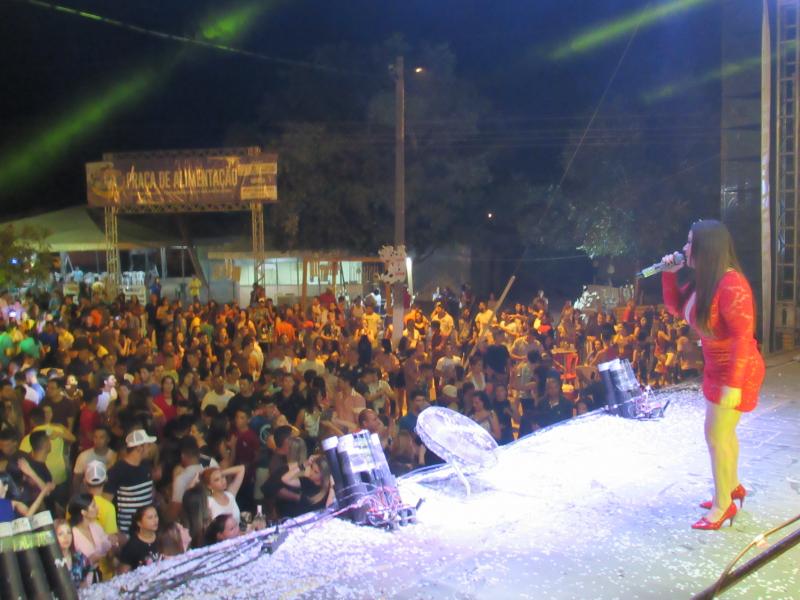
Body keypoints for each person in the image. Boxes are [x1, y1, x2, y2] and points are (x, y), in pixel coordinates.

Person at [661, 219, 765, 530]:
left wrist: (733, 384)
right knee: (723, 434)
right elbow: (676, 309)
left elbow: (743, 337)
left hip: (736, 369)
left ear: (706, 248)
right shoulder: (706, 282)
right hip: (716, 369)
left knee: (716, 437)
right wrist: (669, 275)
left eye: (690, 242)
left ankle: (722, 506)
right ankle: (731, 487)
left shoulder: (732, 284)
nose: (684, 248)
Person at [54, 518, 96, 588]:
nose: (66, 537)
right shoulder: (50, 561)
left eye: (69, 533)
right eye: (61, 534)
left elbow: (85, 584)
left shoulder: (79, 557)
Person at [118, 505, 161, 572]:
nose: (155, 520)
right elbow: (124, 572)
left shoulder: (161, 537)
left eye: (156, 516)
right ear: (139, 523)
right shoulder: (132, 546)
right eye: (150, 518)